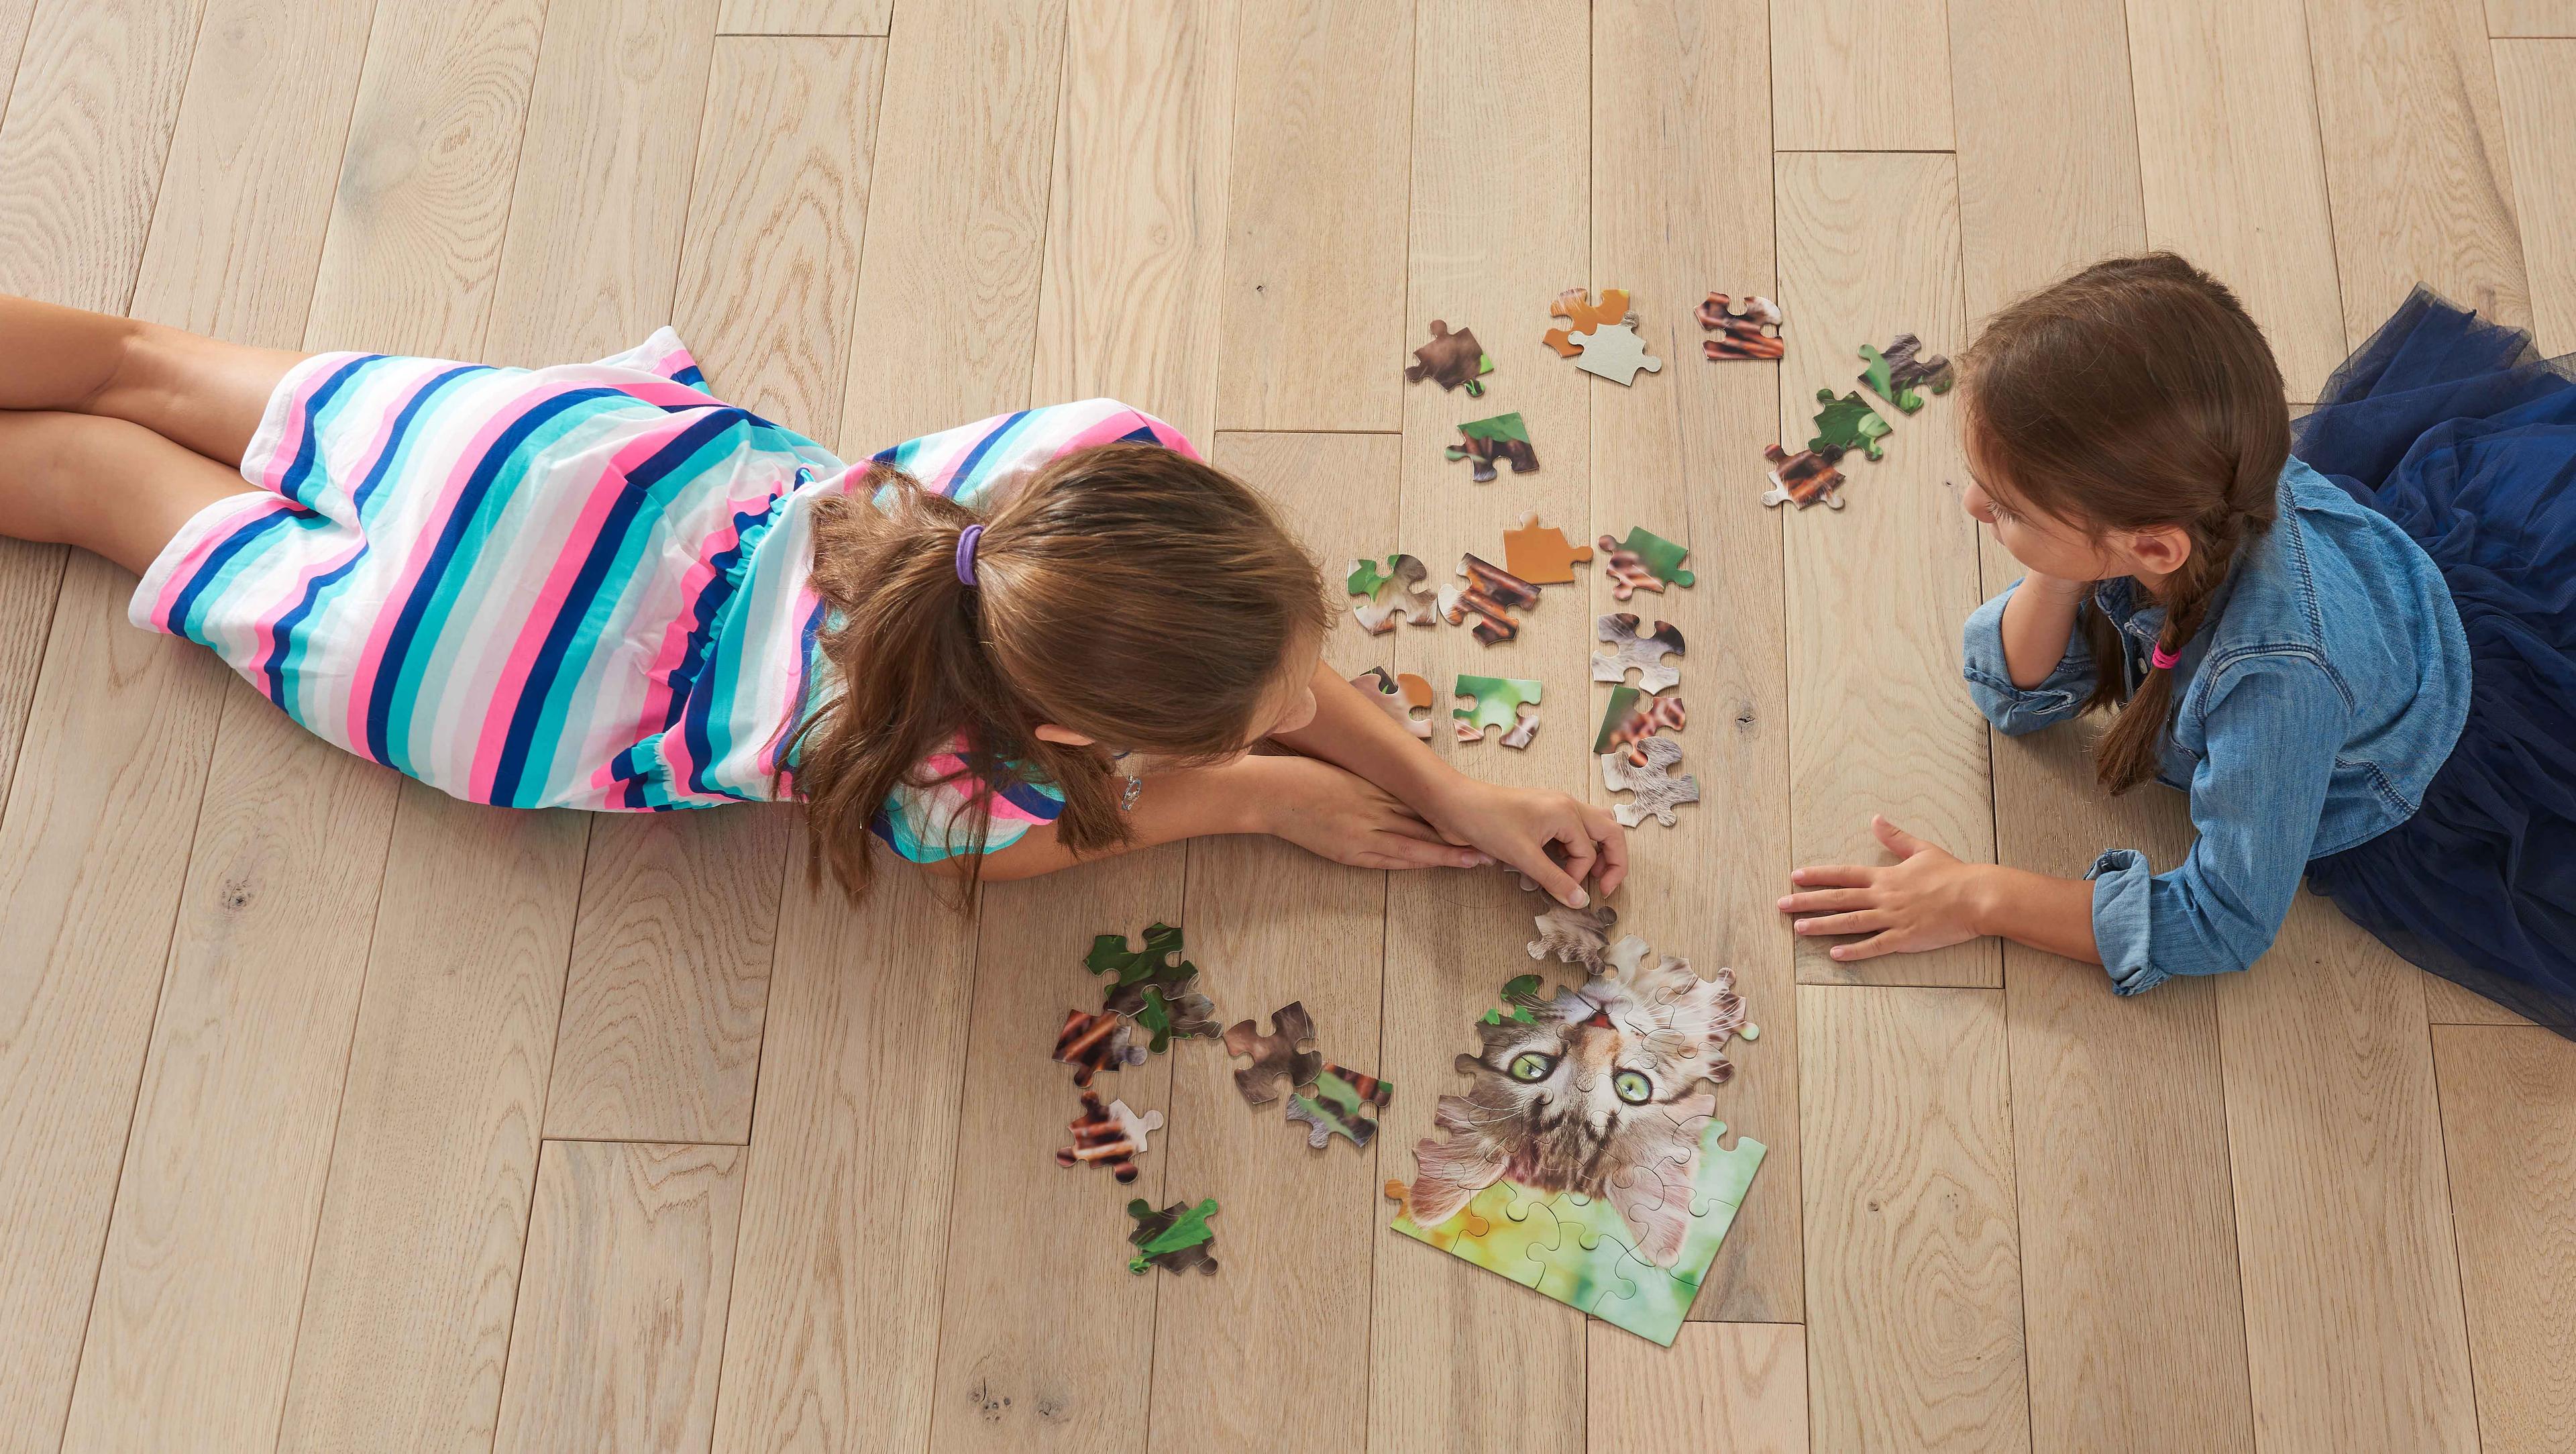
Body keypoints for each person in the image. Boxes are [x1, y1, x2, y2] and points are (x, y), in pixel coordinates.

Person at [0, 295, 1623, 908]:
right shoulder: (949, 792)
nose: (1308, 697)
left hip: (549, 471)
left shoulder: (1072, 463)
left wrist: (1448, 787)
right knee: (86, 486)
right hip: (477, 687)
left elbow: (1199, 643)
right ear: (1062, 733)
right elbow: (1149, 788)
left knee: (138, 363)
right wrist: (1273, 800)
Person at [1776, 254, 2575, 1033]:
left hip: (2425, 754)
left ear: (2153, 550)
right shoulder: (2200, 492)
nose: (1975, 505)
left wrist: (1980, 897)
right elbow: (2010, 691)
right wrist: (2059, 567)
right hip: (2372, 608)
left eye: (2011, 507)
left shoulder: (2276, 685)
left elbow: (2227, 920)